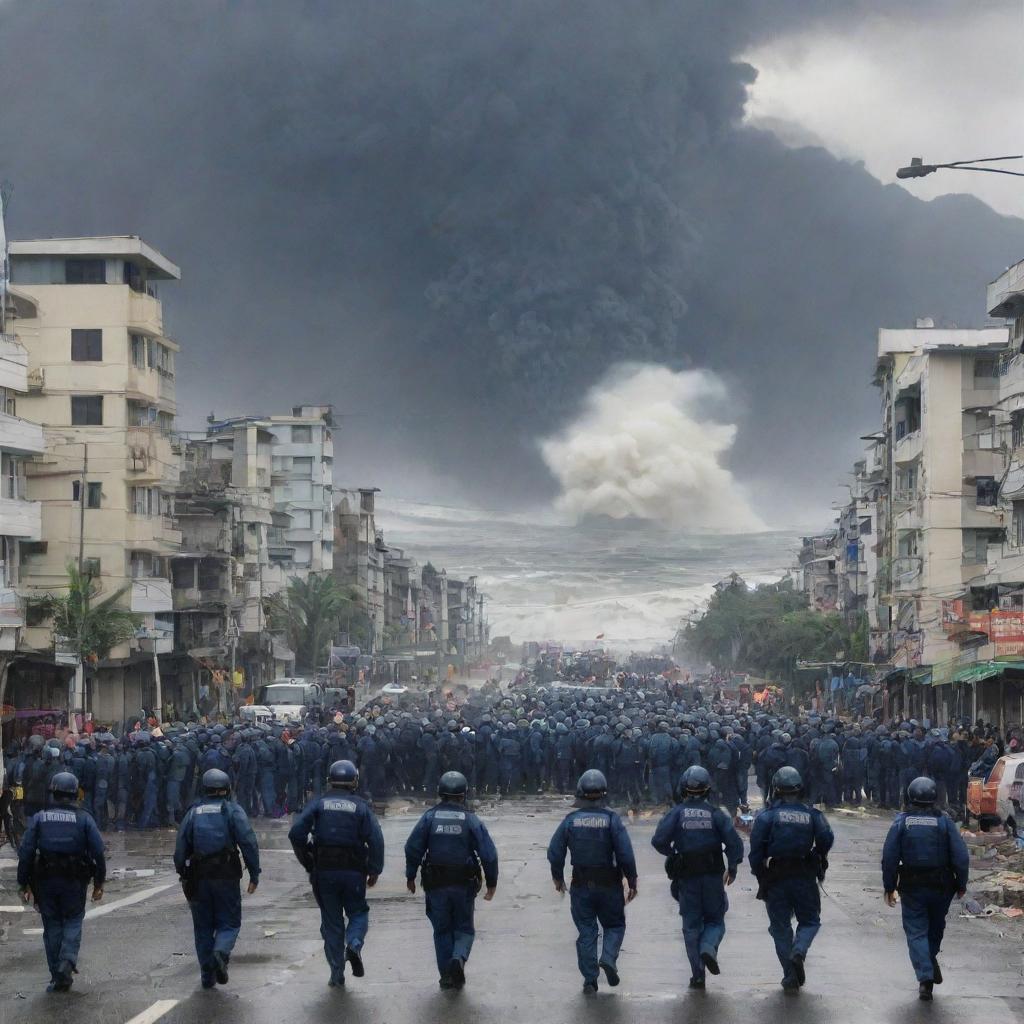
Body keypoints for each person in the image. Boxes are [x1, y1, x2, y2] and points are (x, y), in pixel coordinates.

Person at [288, 759, 385, 988]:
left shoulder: (318, 804)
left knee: (331, 923)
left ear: (330, 781)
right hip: (354, 871)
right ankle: (354, 943)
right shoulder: (361, 806)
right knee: (358, 913)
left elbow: (296, 834)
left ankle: (336, 973)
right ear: (354, 782)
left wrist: (308, 861)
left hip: (324, 871)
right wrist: (374, 869)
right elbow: (376, 839)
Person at [404, 770, 498, 990]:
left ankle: (446, 975)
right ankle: (458, 957)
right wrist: (492, 882)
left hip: (436, 885)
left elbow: (413, 847)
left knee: (442, 930)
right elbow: (488, 854)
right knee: (464, 929)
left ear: (440, 793)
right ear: (464, 794)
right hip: (463, 885)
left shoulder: (429, 818)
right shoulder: (470, 819)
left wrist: (410, 875)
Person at [652, 766, 743, 990]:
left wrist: (673, 854)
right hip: (712, 877)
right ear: (707, 790)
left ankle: (698, 975)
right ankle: (709, 946)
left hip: (687, 878)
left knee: (691, 926)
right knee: (715, 920)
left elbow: (659, 840)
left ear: (683, 788)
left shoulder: (676, 813)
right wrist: (732, 867)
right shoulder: (716, 814)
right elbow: (734, 843)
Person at [547, 769, 638, 994]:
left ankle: (590, 979)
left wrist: (557, 876)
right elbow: (625, 853)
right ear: (604, 793)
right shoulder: (611, 819)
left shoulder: (570, 821)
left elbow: (554, 852)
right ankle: (608, 957)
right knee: (614, 925)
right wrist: (632, 880)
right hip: (610, 885)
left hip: (581, 885)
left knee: (587, 931)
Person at [881, 776, 970, 1002]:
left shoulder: (901, 822)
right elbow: (961, 857)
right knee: (935, 928)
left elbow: (889, 858)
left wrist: (889, 886)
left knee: (916, 932)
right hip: (942, 887)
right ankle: (929, 963)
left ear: (909, 796)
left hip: (912, 887)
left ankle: (925, 977)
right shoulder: (945, 823)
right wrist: (961, 884)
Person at [17, 771, 105, 992]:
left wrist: (23, 883)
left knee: (52, 924)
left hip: (45, 881)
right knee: (73, 920)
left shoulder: (39, 818)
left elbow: (26, 851)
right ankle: (67, 960)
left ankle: (58, 975)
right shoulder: (84, 818)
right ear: (75, 793)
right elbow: (98, 852)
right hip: (75, 881)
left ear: (53, 792)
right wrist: (99, 883)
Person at [174, 768, 260, 989]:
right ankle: (221, 952)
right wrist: (254, 873)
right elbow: (248, 841)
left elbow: (180, 849)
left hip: (199, 878)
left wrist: (183, 874)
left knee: (202, 927)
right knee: (229, 923)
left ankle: (207, 977)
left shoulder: (193, 813)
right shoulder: (232, 811)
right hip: (226, 876)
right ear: (227, 788)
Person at [748, 766, 833, 991]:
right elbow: (826, 839)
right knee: (810, 921)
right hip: (804, 875)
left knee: (780, 928)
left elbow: (755, 851)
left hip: (776, 877)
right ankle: (800, 950)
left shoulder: (766, 817)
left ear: (775, 789)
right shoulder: (813, 815)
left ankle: (790, 975)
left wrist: (760, 875)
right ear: (800, 788)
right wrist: (818, 855)